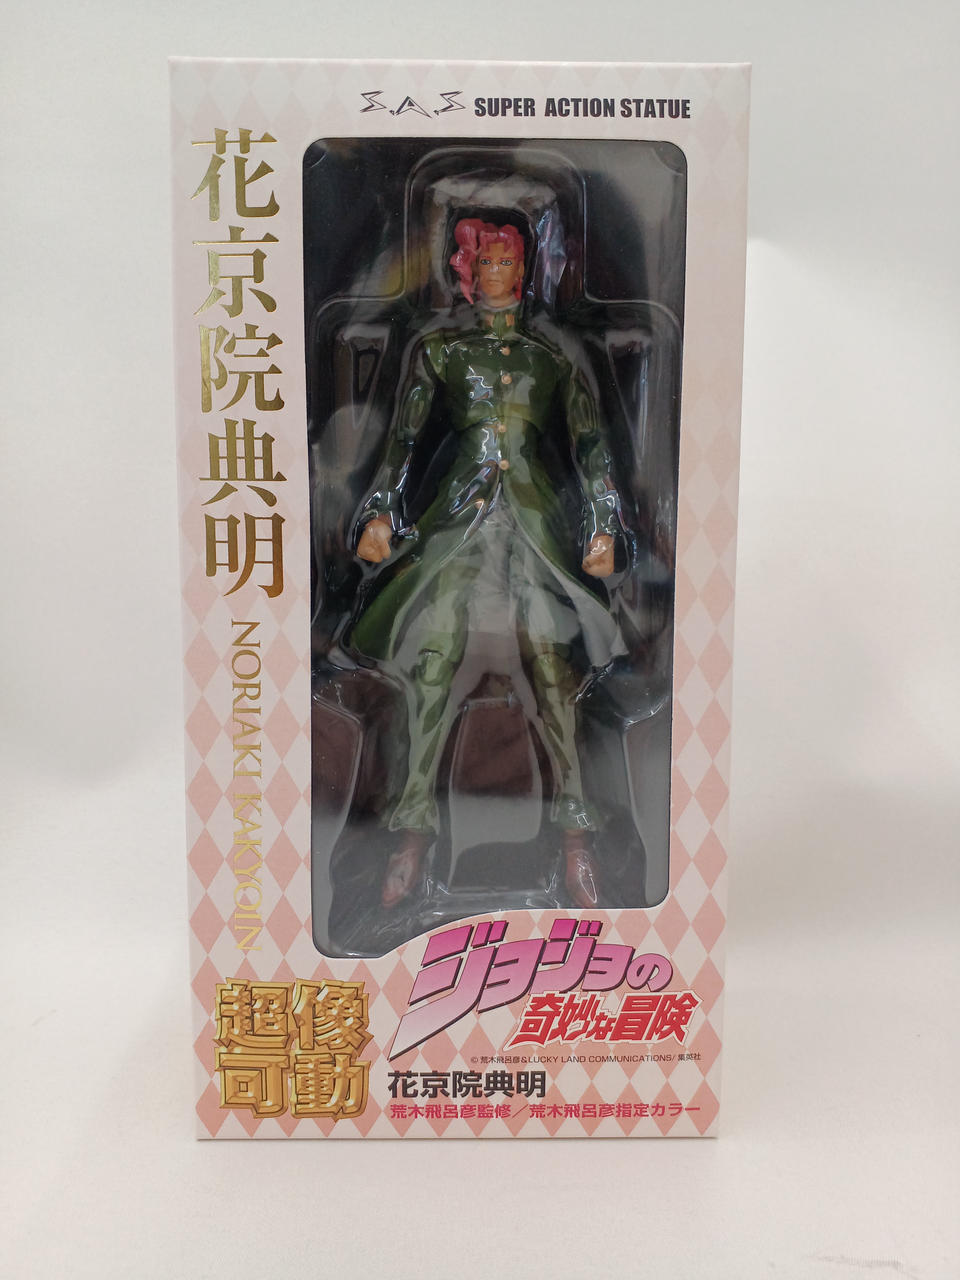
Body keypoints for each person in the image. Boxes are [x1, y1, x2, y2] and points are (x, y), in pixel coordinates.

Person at [349, 217, 625, 909]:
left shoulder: (550, 357)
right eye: (487, 261)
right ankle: (411, 834)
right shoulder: (443, 352)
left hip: (533, 526)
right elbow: (404, 440)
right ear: (468, 274)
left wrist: (602, 525)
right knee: (432, 663)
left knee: (553, 671)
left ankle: (576, 839)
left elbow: (591, 446)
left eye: (509, 260)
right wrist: (381, 511)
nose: (499, 271)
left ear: (525, 270)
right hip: (458, 525)